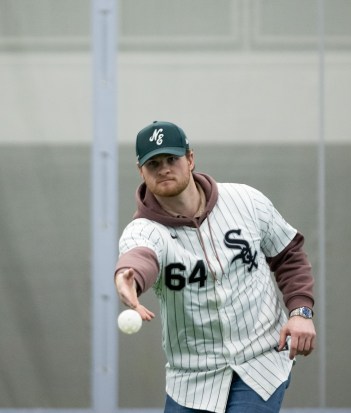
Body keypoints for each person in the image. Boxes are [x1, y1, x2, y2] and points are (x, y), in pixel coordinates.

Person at [114, 121, 316, 413]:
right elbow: (139, 257)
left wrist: (301, 311)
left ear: (191, 159)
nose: (164, 168)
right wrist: (127, 277)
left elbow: (289, 255)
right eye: (153, 163)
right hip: (192, 378)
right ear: (141, 171)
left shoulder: (246, 201)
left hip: (260, 363)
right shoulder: (143, 230)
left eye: (172, 159)